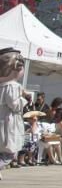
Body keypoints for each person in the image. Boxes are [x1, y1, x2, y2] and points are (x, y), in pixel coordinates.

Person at [0, 48, 29, 179]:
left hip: (3, 117)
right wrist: (24, 98)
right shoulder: (12, 86)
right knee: (10, 151)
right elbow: (15, 104)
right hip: (8, 121)